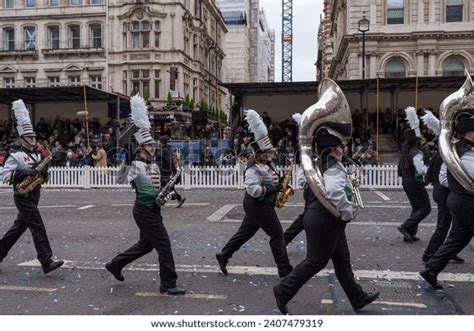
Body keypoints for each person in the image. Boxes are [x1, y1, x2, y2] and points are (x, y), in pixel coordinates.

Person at [273, 126, 379, 315]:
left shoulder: (318, 164)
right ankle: (283, 291)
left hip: (324, 219)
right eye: (340, 146)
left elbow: (307, 184)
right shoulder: (333, 167)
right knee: (315, 262)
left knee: (342, 262)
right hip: (325, 220)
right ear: (332, 149)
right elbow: (334, 192)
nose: (343, 149)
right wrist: (347, 212)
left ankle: (357, 297)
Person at [105, 95, 185, 295]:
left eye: (152, 145)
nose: (153, 148)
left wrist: (168, 193)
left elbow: (158, 185)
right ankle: (168, 284)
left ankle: (116, 264)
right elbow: (120, 180)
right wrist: (125, 159)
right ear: (140, 149)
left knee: (146, 245)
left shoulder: (153, 164)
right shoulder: (135, 165)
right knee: (163, 245)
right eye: (149, 146)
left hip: (153, 209)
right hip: (144, 211)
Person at [216, 109, 292, 278]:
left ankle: (223, 255)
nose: (272, 154)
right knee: (277, 234)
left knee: (245, 233)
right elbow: (254, 190)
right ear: (260, 154)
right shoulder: (253, 169)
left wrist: (280, 184)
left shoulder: (266, 165)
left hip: (260, 204)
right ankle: (284, 268)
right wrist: (274, 189)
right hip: (257, 204)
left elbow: (270, 182)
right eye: (269, 152)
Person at [0, 100, 63, 274]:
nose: (33, 140)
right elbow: (5, 175)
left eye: (34, 137)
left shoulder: (38, 154)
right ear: (22, 139)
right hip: (22, 195)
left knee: (17, 229)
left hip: (34, 193)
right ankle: (46, 260)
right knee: (37, 225)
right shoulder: (17, 156)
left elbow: (41, 174)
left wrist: (44, 173)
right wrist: (26, 173)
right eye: (29, 137)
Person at [420, 107, 474, 290]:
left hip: (457, 199)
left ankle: (431, 269)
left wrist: (457, 188)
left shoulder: (453, 150)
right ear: (470, 133)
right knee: (457, 236)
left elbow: (443, 178)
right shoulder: (467, 153)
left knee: (458, 238)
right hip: (467, 202)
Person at [420, 111, 464, 264]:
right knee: (443, 225)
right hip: (443, 191)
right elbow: (443, 178)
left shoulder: (442, 152)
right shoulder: (446, 153)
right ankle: (429, 253)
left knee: (455, 226)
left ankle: (448, 251)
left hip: (443, 191)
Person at [397, 107, 431, 242]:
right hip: (414, 183)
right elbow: (421, 170)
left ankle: (410, 233)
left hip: (406, 182)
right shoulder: (416, 153)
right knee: (425, 208)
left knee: (417, 207)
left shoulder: (406, 152)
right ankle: (406, 227)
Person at [156, 135, 185, 208]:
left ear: (161, 142)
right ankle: (178, 198)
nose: (158, 142)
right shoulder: (163, 149)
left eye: (159, 141)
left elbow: (169, 161)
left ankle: (159, 201)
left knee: (163, 187)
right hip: (162, 171)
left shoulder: (165, 150)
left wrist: (173, 170)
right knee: (167, 187)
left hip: (164, 171)